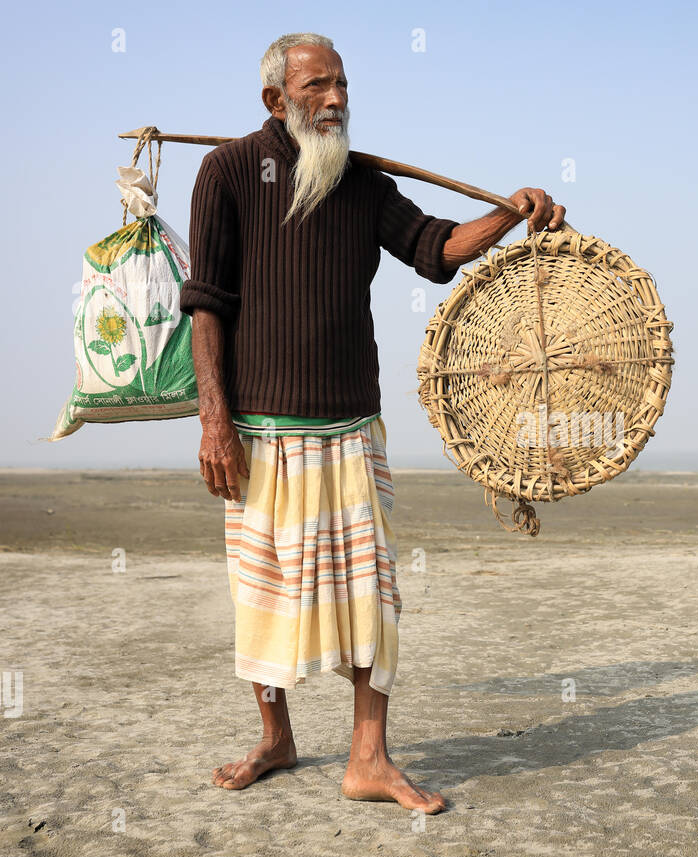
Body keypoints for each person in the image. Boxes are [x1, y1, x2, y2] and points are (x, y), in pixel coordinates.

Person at [180, 32, 565, 813]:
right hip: (261, 433)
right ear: (275, 100)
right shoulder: (224, 173)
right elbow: (206, 305)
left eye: (344, 85)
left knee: (372, 600)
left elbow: (434, 249)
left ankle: (369, 760)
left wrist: (507, 212)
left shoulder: (361, 182)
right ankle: (275, 737)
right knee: (264, 596)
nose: (336, 100)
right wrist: (213, 421)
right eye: (318, 86)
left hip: (352, 428)